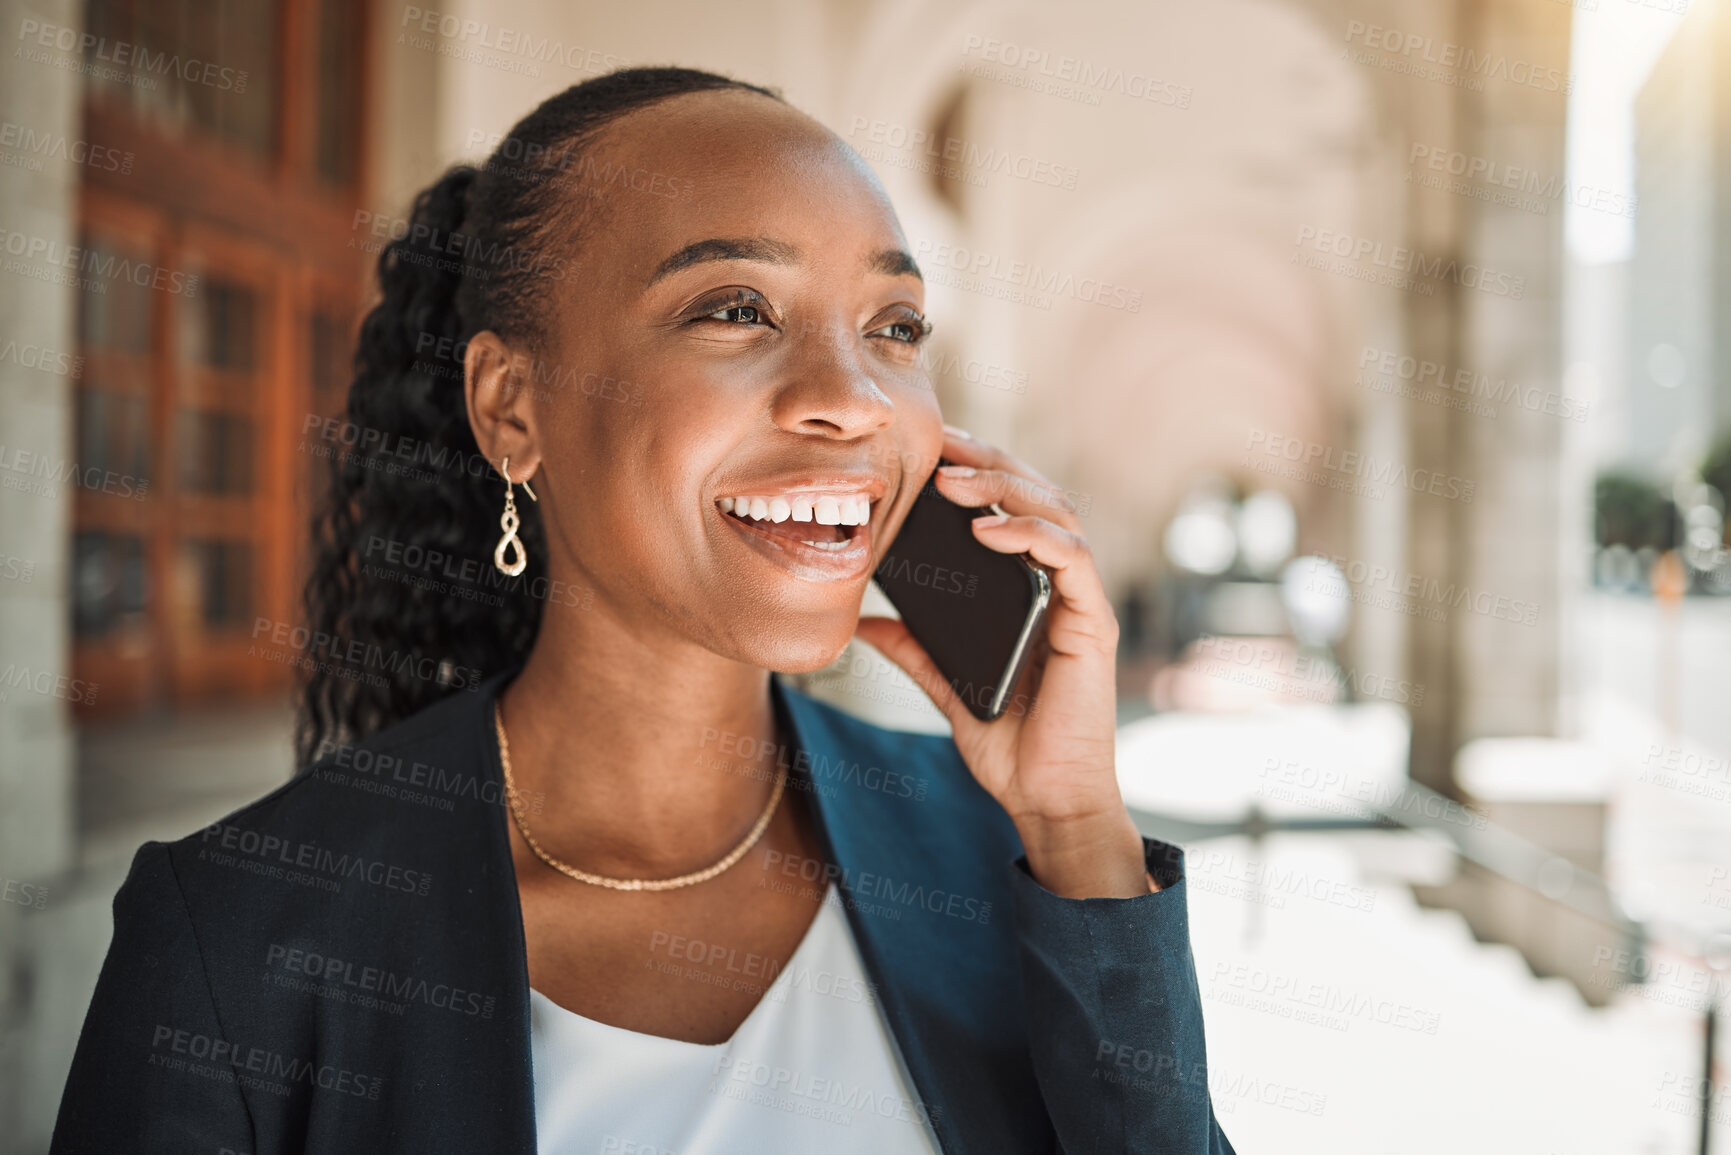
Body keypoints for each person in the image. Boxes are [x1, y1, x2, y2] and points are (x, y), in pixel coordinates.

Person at [50, 66, 1234, 1154]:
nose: (852, 400)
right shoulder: (240, 936)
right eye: (735, 308)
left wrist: (1078, 824)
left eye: (895, 328)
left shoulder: (1013, 864)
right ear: (512, 408)